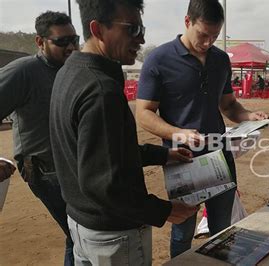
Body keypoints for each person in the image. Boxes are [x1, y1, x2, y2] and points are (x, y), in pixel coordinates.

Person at [49, 0, 198, 264]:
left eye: (141, 28)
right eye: (132, 29)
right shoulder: (101, 90)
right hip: (113, 237)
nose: (141, 38)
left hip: (82, 225)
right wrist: (163, 211)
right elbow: (104, 185)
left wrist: (164, 155)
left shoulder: (69, 72)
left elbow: (106, 154)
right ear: (97, 29)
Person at [136, 0, 269, 257]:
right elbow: (144, 114)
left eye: (215, 36)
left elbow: (229, 105)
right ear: (187, 22)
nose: (208, 42)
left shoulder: (220, 60)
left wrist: (248, 116)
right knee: (183, 231)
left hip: (220, 157)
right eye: (203, 35)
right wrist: (178, 133)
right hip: (182, 160)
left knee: (222, 229)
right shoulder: (159, 60)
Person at [0, 11, 79, 265]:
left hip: (72, 167)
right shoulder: (23, 71)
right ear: (40, 42)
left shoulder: (71, 69)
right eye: (62, 41)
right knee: (78, 232)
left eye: (74, 39)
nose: (70, 47)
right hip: (45, 171)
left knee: (78, 233)